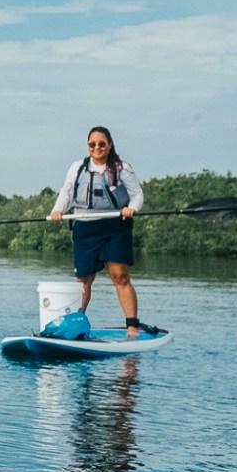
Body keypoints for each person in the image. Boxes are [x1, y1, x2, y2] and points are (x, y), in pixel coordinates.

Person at [49, 126, 153, 340]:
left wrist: (131, 208)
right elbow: (67, 192)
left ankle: (132, 325)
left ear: (109, 145)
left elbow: (137, 195)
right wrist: (58, 210)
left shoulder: (122, 168)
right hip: (85, 227)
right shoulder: (77, 167)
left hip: (115, 226)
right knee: (83, 279)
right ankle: (76, 324)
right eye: (92, 144)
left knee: (119, 276)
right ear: (88, 146)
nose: (97, 148)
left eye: (101, 144)